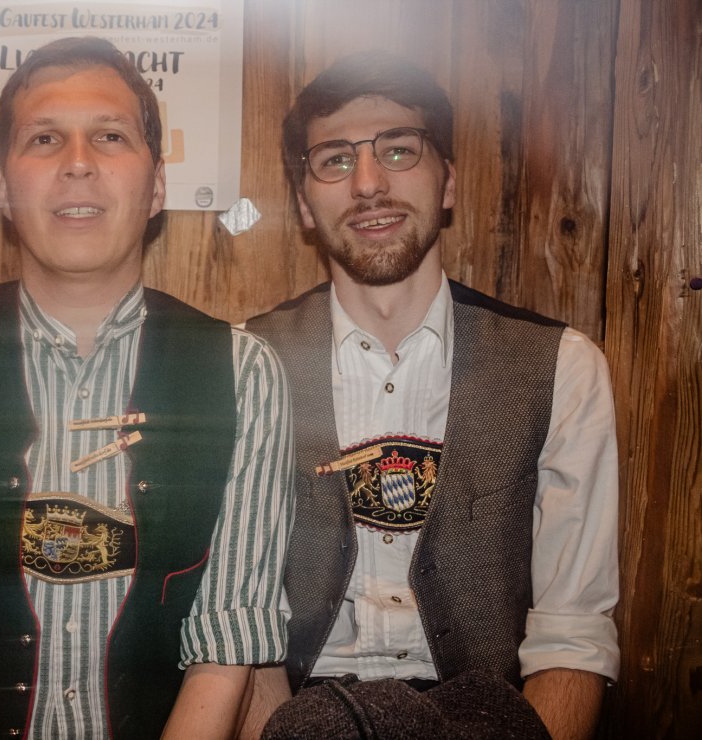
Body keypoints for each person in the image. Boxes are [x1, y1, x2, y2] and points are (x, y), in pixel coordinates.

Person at [0, 36, 294, 739]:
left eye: (109, 136)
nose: (77, 163)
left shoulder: (246, 374)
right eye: (44, 138)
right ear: (4, 188)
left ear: (158, 185)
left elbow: (225, 646)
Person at [243, 51, 619, 739]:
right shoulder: (246, 365)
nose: (368, 184)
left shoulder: (562, 367)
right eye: (335, 160)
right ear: (303, 203)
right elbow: (242, 630)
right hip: (301, 716)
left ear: (447, 182)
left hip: (492, 717)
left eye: (398, 150)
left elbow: (573, 635)